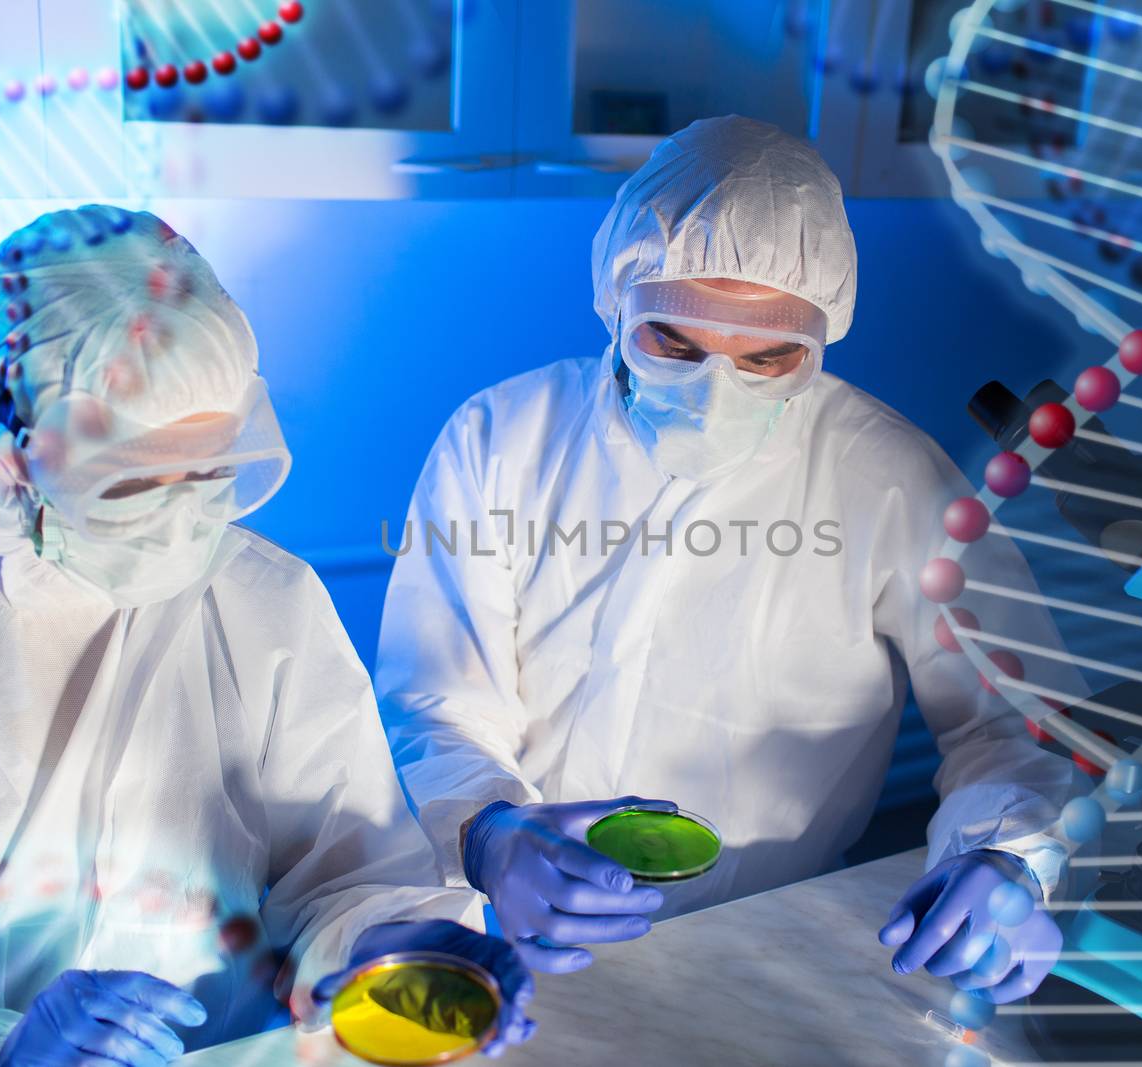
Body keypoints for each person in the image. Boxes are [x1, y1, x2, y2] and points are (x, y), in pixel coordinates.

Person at [0, 206, 534, 1064]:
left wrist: (399, 947)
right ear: (13, 453)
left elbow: (345, 870)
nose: (183, 519)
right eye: (135, 483)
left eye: (211, 470)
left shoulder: (267, 600)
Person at [375, 116, 1079, 1001]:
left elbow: (1011, 718)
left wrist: (1007, 858)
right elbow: (440, 699)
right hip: (515, 931)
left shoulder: (894, 480)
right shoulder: (501, 440)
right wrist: (493, 835)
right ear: (616, 301)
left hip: (767, 943)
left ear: (825, 334)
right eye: (673, 341)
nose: (716, 392)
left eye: (771, 356)